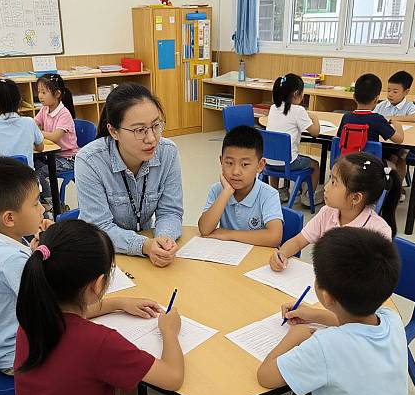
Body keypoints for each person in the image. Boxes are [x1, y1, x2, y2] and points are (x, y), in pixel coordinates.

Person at [10, 219, 195, 395]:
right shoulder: (99, 343)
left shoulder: (31, 317)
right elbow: (173, 378)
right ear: (98, 284)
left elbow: (74, 313)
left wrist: (118, 303)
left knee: (127, 386)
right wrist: (169, 331)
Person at [245, 227, 415, 395]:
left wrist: (295, 337)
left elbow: (265, 376)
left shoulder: (326, 346)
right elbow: (353, 321)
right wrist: (315, 315)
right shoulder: (392, 320)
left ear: (326, 296)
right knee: (306, 394)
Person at [75, 83, 183, 267]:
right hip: (105, 255)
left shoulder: (167, 152)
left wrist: (164, 239)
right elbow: (99, 227)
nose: (151, 138)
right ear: (113, 131)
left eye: (156, 125)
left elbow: (170, 211)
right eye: (139, 130)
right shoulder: (90, 161)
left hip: (148, 255)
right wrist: (144, 245)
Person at [0, 157, 51, 372]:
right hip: (15, 355)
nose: (42, 209)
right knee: (96, 351)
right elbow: (55, 308)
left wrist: (36, 252)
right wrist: (114, 304)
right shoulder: (13, 261)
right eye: (35, 204)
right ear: (9, 218)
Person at [269, 152, 401, 272]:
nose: (325, 187)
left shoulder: (378, 231)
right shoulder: (327, 212)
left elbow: (372, 278)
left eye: (333, 182)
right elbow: (298, 241)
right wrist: (281, 255)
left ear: (355, 198)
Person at [198, 125, 283, 247]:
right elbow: (204, 229)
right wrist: (226, 192)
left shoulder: (268, 194)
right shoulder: (218, 190)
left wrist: (229, 234)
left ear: (260, 165)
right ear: (221, 161)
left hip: (257, 258)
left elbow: (274, 237)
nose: (236, 171)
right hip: (227, 256)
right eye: (230, 163)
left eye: (245, 164)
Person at [266, 73, 322, 207]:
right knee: (315, 165)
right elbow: (315, 132)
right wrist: (315, 118)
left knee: (278, 154)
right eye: (303, 93)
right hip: (289, 164)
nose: (303, 96)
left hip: (268, 162)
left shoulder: (273, 108)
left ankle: (276, 194)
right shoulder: (298, 110)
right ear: (297, 93)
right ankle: (307, 197)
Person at [34, 74, 78, 209]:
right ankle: (41, 201)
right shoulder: (45, 109)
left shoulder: (64, 113)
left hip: (68, 158)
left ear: (57, 94)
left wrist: (37, 133)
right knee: (31, 166)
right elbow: (34, 123)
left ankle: (54, 204)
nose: (40, 96)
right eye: (39, 92)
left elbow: (54, 137)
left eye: (44, 92)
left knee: (40, 172)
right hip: (53, 155)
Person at [0, 78, 44, 168]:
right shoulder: (29, 122)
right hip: (27, 179)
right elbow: (40, 148)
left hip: (3, 179)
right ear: (20, 100)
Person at [374, 70, 415, 200]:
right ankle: (386, 185)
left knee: (400, 157)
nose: (390, 94)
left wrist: (393, 118)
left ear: (406, 92)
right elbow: (375, 116)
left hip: (401, 141)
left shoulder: (409, 106)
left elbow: (414, 118)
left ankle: (397, 187)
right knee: (389, 157)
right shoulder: (382, 105)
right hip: (384, 139)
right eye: (388, 90)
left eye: (395, 91)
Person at [337, 73, 404, 147]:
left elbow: (339, 138)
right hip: (369, 158)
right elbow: (399, 140)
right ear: (376, 99)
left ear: (354, 97)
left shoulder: (346, 117)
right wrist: (398, 125)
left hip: (348, 157)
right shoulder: (377, 119)